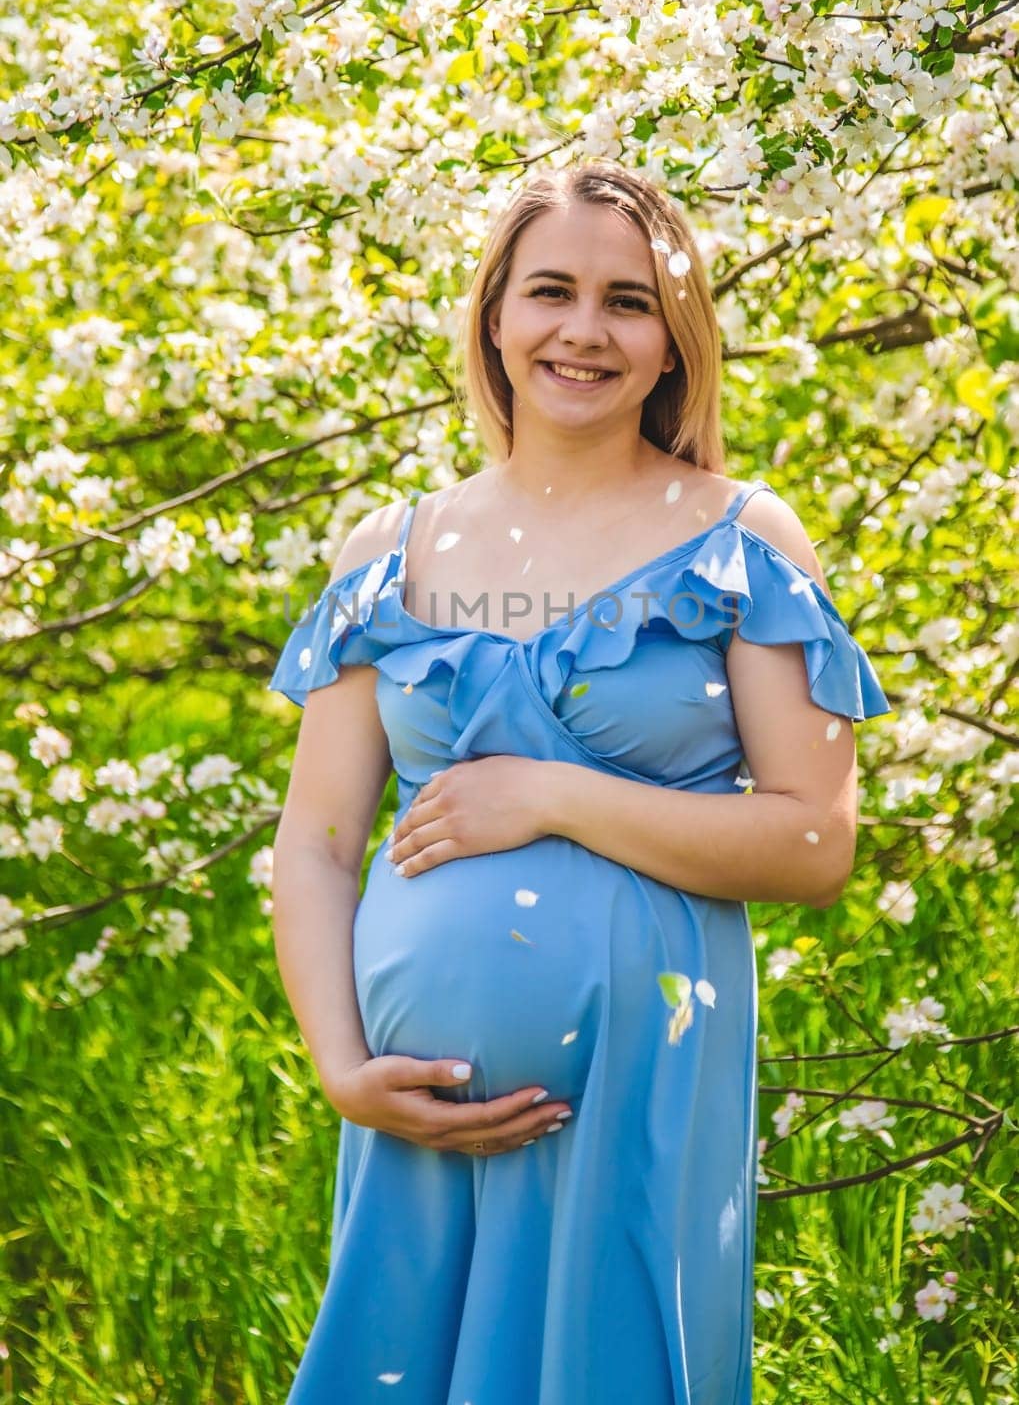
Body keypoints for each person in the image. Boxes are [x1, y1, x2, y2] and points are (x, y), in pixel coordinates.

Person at [267, 160, 892, 1404]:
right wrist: (343, 1068)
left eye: (628, 301)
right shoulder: (387, 550)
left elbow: (813, 845)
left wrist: (551, 798)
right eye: (549, 291)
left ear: (674, 340)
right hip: (409, 1116)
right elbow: (317, 844)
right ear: (495, 316)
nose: (583, 330)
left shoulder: (740, 541)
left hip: (638, 1083)